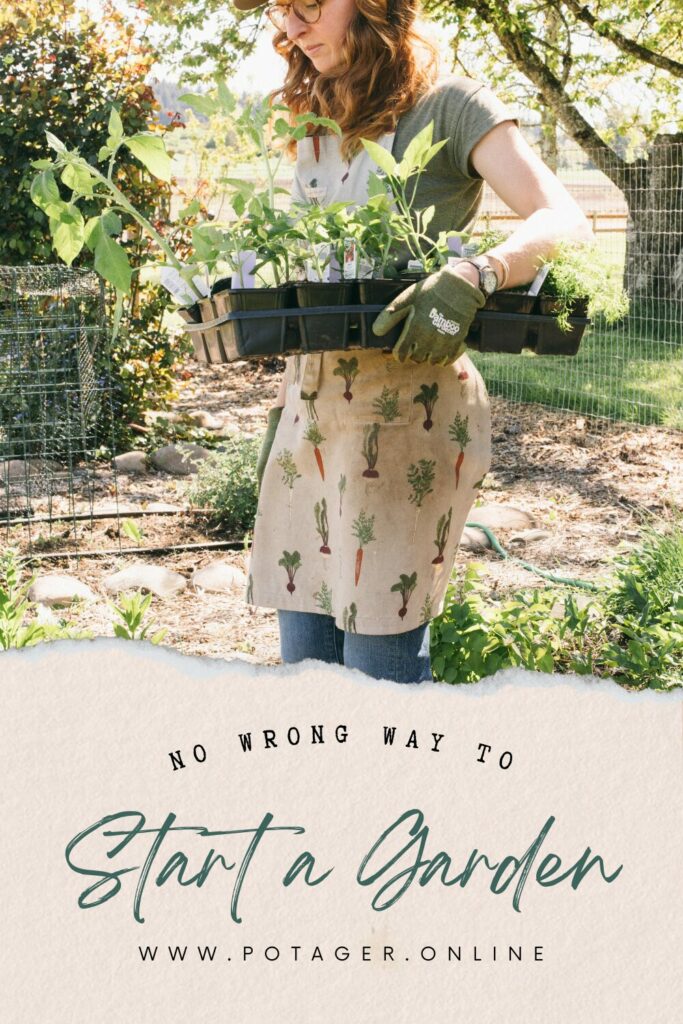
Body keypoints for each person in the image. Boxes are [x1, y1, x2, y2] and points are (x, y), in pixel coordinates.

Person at [236, 0, 592, 683]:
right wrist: (284, 411)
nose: (292, 26)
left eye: (309, 5)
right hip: (309, 423)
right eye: (281, 10)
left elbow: (564, 219)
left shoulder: (449, 105)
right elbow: (318, 281)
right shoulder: (316, 120)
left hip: (404, 419)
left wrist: (476, 272)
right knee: (304, 667)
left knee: (379, 674)